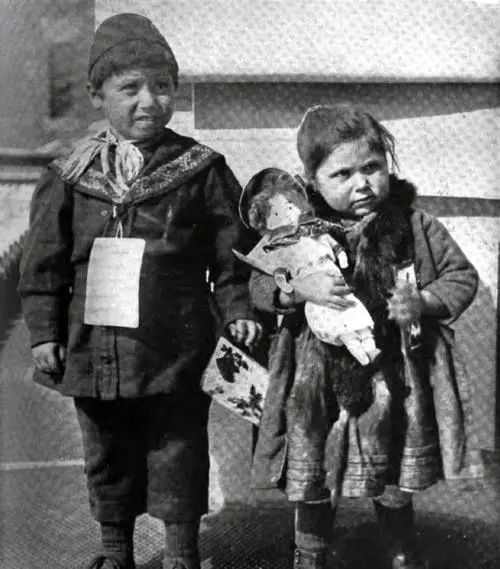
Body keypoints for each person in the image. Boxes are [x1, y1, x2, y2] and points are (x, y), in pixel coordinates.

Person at [18, 13, 262, 569]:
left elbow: (234, 257)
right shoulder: (70, 176)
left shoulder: (200, 171)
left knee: (178, 448)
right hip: (93, 343)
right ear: (96, 94)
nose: (148, 101)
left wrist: (240, 308)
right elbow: (44, 266)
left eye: (162, 86)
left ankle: (182, 555)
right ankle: (116, 552)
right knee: (106, 451)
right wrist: (43, 334)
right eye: (130, 88)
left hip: (174, 343)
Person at [246, 103, 481, 569]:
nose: (363, 184)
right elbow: (258, 284)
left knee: (390, 461)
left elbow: (460, 276)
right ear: (312, 181)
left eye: (373, 168)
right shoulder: (292, 232)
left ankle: (399, 549)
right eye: (343, 174)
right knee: (312, 464)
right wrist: (296, 287)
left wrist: (423, 302)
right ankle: (310, 551)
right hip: (314, 381)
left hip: (392, 372)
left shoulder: (416, 226)